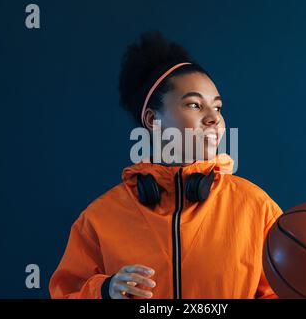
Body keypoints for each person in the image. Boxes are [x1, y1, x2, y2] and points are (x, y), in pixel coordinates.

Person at [49, 31, 283, 299]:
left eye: (217, 108)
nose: (213, 119)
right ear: (152, 119)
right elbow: (66, 293)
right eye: (195, 104)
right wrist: (104, 290)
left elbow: (281, 292)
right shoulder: (99, 218)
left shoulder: (257, 208)